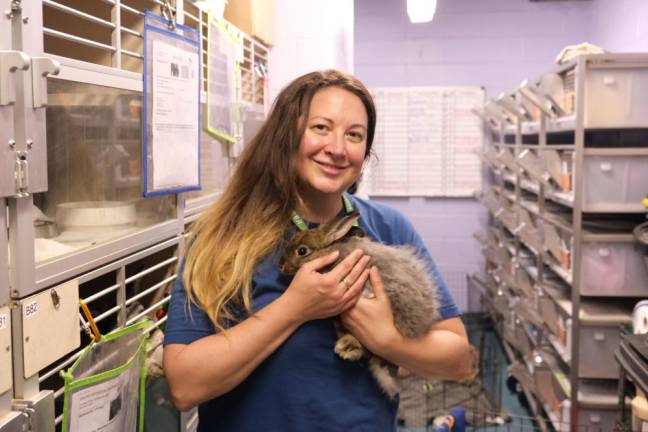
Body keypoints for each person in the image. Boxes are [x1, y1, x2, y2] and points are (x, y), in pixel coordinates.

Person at [163, 69, 473, 432]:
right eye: (321, 128)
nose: (338, 149)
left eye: (354, 135)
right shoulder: (226, 236)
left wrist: (387, 339)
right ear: (287, 135)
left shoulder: (387, 228)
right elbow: (184, 386)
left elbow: (459, 361)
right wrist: (295, 308)